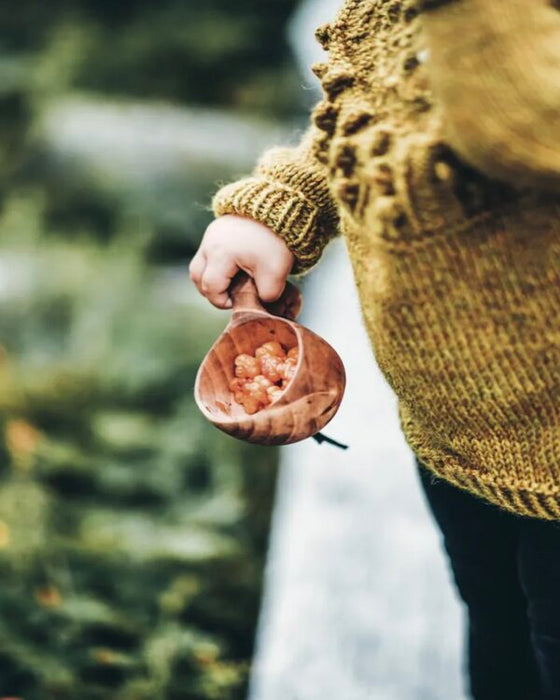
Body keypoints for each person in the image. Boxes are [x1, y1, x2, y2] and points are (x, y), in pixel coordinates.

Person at [189, 1, 560, 697]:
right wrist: (287, 198)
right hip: (463, 434)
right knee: (501, 633)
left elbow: (522, 124)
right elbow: (384, 99)